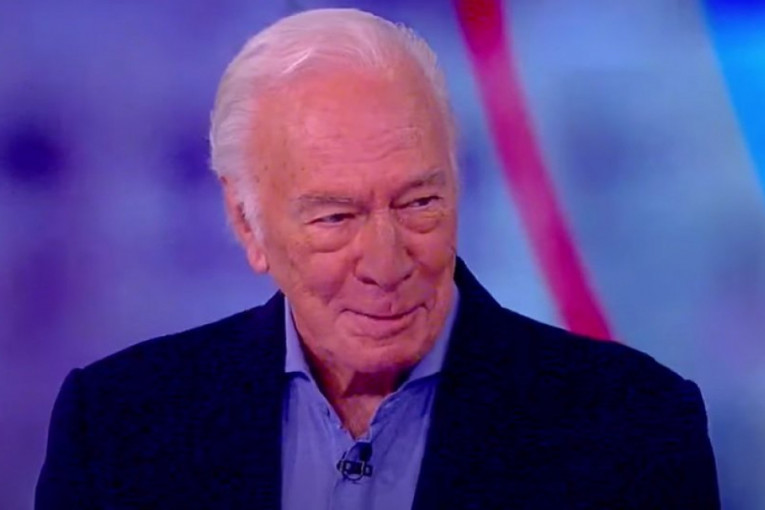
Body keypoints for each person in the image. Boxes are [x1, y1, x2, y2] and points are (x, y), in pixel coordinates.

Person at [36, 8, 720, 510]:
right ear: (246, 221)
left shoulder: (636, 428)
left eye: (419, 203)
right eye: (336, 217)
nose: (386, 264)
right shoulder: (117, 426)